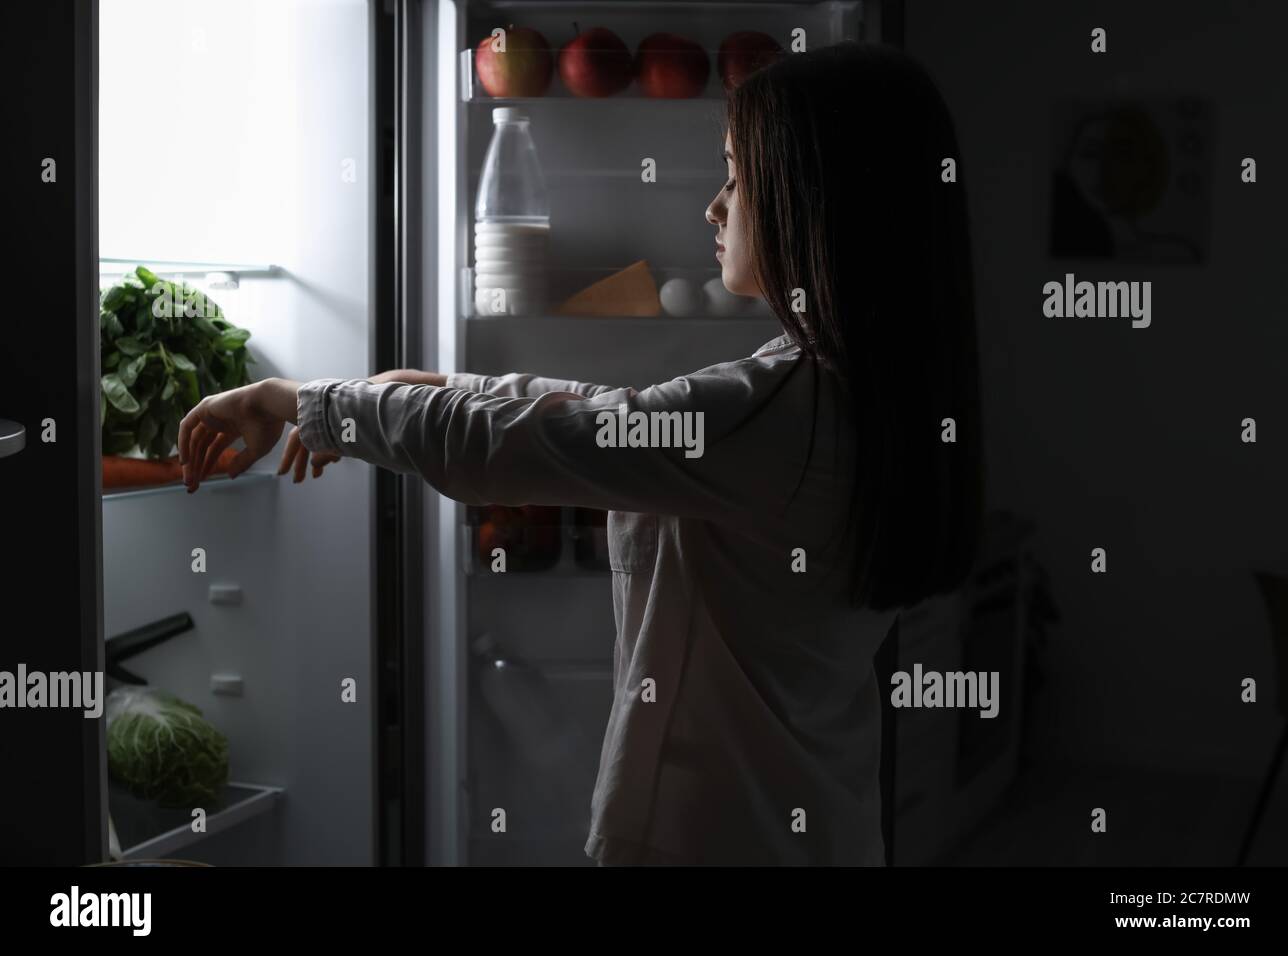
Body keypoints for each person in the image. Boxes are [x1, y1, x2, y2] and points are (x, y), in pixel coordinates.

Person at [177, 41, 984, 866]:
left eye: (737, 175)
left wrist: (300, 402)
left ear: (815, 200)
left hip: (709, 834)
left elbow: (530, 444)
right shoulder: (870, 392)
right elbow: (606, 419)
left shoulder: (779, 409)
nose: (715, 207)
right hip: (820, 822)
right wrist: (437, 380)